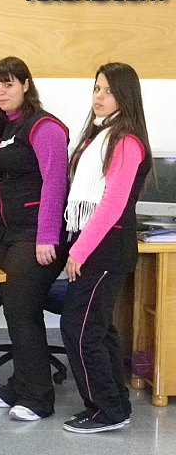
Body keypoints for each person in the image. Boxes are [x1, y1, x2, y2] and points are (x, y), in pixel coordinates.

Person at [60, 63, 151, 433]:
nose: (99, 96)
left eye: (109, 91)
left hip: (105, 247)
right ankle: (115, 405)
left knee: (80, 328)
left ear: (125, 96)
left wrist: (79, 251)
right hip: (98, 244)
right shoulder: (100, 135)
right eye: (97, 88)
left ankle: (106, 410)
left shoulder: (126, 141)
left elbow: (112, 204)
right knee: (98, 328)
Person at [0, 56, 69, 420]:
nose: (1, 92)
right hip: (10, 232)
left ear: (25, 84)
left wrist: (47, 236)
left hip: (37, 234)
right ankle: (21, 385)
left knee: (22, 308)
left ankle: (38, 397)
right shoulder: (8, 126)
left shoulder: (45, 126)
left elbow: (55, 183)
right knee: (15, 307)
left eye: (8, 84)